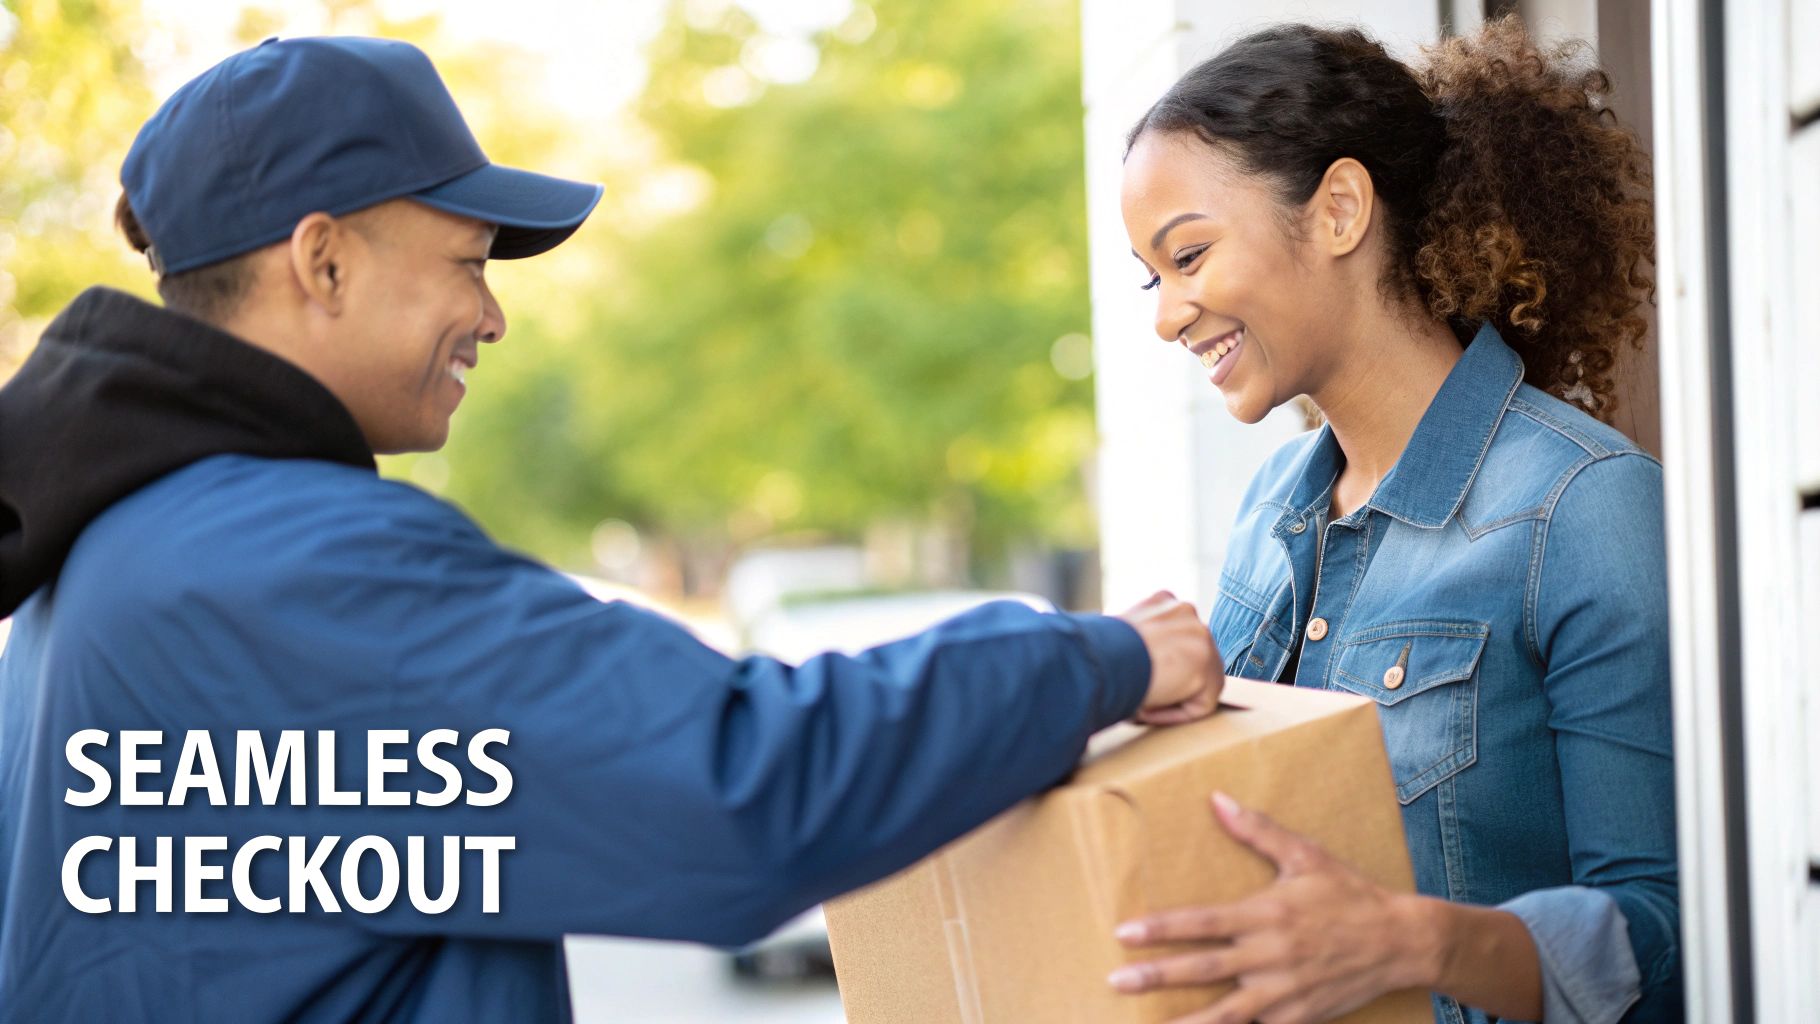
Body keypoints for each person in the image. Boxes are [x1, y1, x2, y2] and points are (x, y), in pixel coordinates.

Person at [0, 36, 1221, 1022]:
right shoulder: (297, 568)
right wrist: (1095, 658)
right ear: (322, 262)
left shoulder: (99, 571)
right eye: (468, 260)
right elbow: (746, 791)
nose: (490, 314)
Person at [1104, 17, 1677, 1024]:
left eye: (1188, 254)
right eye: (1152, 276)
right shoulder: (1268, 512)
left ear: (1335, 210)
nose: (1164, 313)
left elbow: (1668, 934)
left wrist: (1413, 944)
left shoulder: (1582, 508)